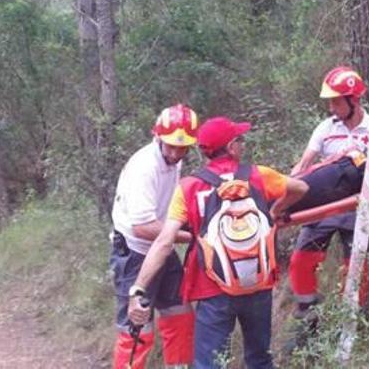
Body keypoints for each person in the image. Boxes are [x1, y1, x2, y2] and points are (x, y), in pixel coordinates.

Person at [127, 116, 308, 369]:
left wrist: (138, 288)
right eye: (239, 140)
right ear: (232, 147)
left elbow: (164, 242)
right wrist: (276, 210)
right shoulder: (258, 176)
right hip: (258, 284)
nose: (242, 145)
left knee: (210, 364)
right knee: (260, 359)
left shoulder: (188, 188)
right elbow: (300, 187)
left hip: (212, 290)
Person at [110, 104, 198, 369]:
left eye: (182, 147)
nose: (175, 153)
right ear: (157, 137)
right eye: (170, 145)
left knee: (180, 315)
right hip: (135, 252)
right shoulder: (145, 167)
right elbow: (143, 227)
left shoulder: (174, 161)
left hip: (161, 246)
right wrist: (189, 235)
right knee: (137, 326)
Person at [288, 66, 369, 325]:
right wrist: (289, 187)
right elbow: (305, 164)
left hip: (358, 205)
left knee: (357, 267)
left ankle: (352, 318)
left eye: (336, 102)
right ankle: (307, 313)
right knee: (300, 260)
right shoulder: (326, 128)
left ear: (354, 99)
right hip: (324, 206)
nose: (331, 108)